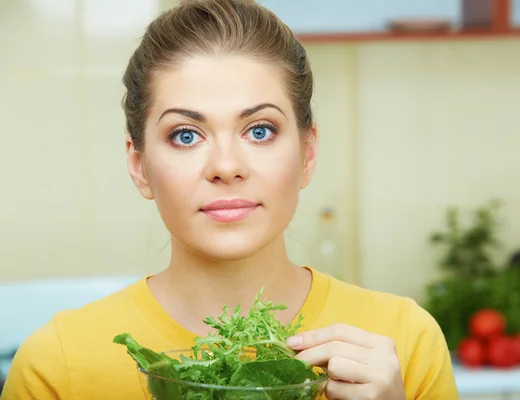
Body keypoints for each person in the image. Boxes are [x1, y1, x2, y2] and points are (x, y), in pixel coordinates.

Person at [2, 1, 459, 399]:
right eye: (186, 135)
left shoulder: (404, 341)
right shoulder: (57, 366)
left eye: (260, 131)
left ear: (307, 154)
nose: (225, 165)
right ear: (140, 166)